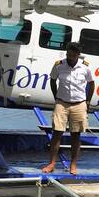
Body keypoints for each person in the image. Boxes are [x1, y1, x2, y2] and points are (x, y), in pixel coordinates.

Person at [41, 41, 93, 174]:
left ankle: (73, 165)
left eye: (73, 55)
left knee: (76, 135)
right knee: (57, 133)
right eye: (68, 54)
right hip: (62, 103)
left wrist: (87, 101)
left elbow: (91, 83)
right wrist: (56, 97)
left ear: (78, 55)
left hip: (79, 103)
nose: (70, 57)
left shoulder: (85, 67)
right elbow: (53, 80)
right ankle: (52, 163)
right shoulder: (59, 65)